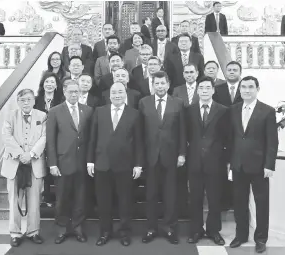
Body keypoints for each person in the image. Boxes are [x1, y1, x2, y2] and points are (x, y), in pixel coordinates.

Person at [87, 82, 143, 247]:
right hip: (102, 164)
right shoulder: (99, 112)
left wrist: (138, 164)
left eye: (120, 92)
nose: (117, 95)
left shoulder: (135, 114)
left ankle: (124, 232)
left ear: (125, 93)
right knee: (104, 201)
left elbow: (139, 142)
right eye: (114, 92)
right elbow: (92, 138)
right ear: (109, 95)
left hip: (125, 166)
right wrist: (90, 160)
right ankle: (105, 232)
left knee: (125, 201)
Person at [229, 76, 278, 254]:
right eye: (243, 87)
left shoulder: (267, 111)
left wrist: (269, 165)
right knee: (239, 203)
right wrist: (230, 162)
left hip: (259, 167)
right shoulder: (233, 110)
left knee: (261, 203)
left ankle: (261, 239)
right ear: (239, 89)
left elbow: (272, 141)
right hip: (238, 165)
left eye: (250, 87)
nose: (246, 90)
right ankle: (241, 235)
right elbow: (231, 138)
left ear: (257, 89)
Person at [139, 71, 186, 245]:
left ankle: (169, 228)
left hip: (171, 157)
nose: (159, 86)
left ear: (168, 84)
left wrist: (182, 153)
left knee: (170, 195)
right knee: (150, 195)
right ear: (153, 85)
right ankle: (151, 228)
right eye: (156, 83)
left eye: (162, 83)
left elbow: (182, 131)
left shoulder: (178, 103)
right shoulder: (143, 102)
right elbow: (140, 132)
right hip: (150, 157)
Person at [46, 82, 93, 244]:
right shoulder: (54, 112)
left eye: (77, 91)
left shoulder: (87, 110)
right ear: (64, 92)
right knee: (62, 198)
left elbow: (90, 138)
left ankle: (78, 227)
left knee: (81, 198)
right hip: (62, 162)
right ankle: (62, 229)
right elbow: (50, 140)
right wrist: (52, 163)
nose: (74, 94)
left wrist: (90, 161)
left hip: (82, 162)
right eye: (71, 91)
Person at [185, 76, 230, 245]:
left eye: (207, 88)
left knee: (214, 198)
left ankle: (213, 230)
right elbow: (186, 135)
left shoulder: (223, 110)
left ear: (213, 90)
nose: (204, 91)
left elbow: (227, 137)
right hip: (194, 161)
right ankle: (196, 230)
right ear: (197, 91)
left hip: (215, 162)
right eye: (201, 88)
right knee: (195, 198)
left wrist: (225, 160)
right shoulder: (189, 110)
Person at [1, 89, 47, 247]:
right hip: (14, 163)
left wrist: (32, 153)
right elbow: (6, 137)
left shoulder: (42, 116)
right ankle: (15, 233)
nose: (26, 103)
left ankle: (34, 231)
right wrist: (21, 154)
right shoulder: (9, 116)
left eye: (29, 99)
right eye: (22, 100)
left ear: (34, 101)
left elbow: (44, 137)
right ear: (18, 102)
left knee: (34, 200)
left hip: (35, 163)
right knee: (14, 200)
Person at [212, 60, 243, 211]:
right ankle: (224, 201)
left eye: (234, 70)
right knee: (222, 169)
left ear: (239, 73)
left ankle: (237, 202)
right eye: (229, 69)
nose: (231, 72)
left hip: (240, 134)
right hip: (222, 134)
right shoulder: (217, 89)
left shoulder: (245, 88)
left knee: (237, 168)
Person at [34, 72, 64, 207]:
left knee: (53, 166)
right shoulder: (36, 100)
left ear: (57, 85)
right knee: (41, 168)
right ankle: (45, 196)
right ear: (42, 84)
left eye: (52, 82)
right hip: (39, 138)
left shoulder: (62, 100)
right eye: (47, 82)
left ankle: (56, 197)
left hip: (56, 138)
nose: (49, 84)